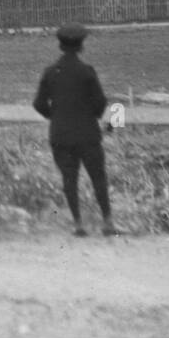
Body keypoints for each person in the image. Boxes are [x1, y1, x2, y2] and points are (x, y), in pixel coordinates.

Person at [33, 23, 118, 237]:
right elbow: (100, 103)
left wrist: (56, 116)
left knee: (69, 179)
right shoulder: (87, 72)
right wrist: (91, 116)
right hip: (87, 134)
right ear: (81, 46)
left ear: (60, 45)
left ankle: (78, 224)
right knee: (98, 177)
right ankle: (107, 222)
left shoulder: (50, 72)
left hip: (61, 135)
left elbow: (39, 104)